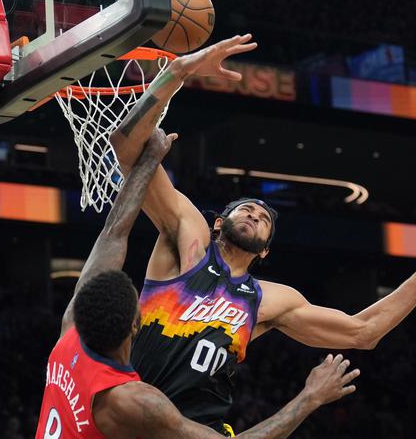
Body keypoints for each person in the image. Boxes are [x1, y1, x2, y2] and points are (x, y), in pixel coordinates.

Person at [109, 34, 416, 432]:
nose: (254, 214)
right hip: (129, 414)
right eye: (245, 209)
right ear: (218, 223)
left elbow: (364, 332)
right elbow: (125, 147)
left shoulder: (269, 299)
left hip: (201, 430)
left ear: (265, 251)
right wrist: (176, 75)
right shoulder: (190, 241)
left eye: (264, 219)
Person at [34, 130, 361, 438]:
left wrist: (149, 161)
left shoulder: (69, 341)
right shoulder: (133, 401)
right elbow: (112, 232)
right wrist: (310, 397)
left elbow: (113, 235)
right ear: (135, 326)